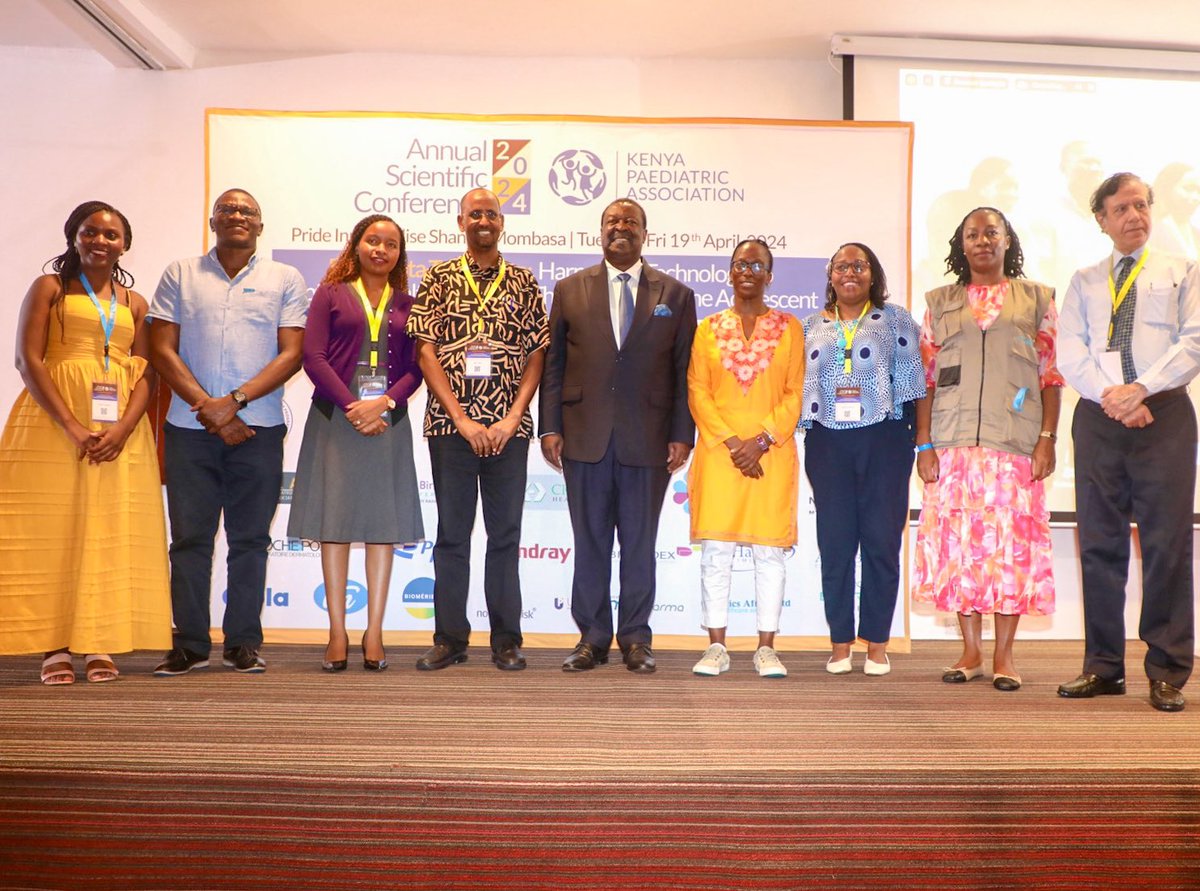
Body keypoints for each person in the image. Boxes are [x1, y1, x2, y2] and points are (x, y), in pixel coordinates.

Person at [0, 201, 172, 684]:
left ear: (126, 245)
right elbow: (26, 360)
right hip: (52, 425)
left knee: (106, 529)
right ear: (73, 236)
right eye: (90, 232)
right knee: (52, 531)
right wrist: (74, 427)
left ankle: (99, 641)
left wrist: (121, 430)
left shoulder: (135, 305)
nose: (101, 241)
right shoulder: (49, 289)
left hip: (120, 431)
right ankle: (53, 646)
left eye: (111, 235)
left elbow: (147, 376)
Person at [149, 188, 309, 676]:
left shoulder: (286, 278)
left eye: (248, 211)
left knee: (249, 540)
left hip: (257, 430)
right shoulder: (180, 273)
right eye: (228, 209)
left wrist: (233, 404)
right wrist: (209, 409)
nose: (237, 215)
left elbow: (292, 354)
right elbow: (162, 348)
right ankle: (191, 644)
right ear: (213, 221)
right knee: (190, 540)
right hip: (188, 429)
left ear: (260, 226)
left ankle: (242, 642)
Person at [1056, 172, 1200, 713]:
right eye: (1121, 208)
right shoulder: (1085, 279)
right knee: (1099, 542)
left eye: (1141, 205)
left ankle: (1166, 670)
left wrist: (1141, 389)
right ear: (1101, 219)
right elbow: (1071, 351)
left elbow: (1195, 340)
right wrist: (1113, 397)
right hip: (1099, 416)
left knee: (1167, 543)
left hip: (1163, 413)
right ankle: (1102, 667)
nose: (1134, 215)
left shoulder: (1183, 269)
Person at [540, 198, 697, 674]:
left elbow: (682, 371)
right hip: (583, 435)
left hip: (647, 440)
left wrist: (681, 434)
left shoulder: (675, 294)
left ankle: (634, 638)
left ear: (645, 233)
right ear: (600, 231)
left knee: (639, 541)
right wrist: (550, 425)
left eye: (631, 222)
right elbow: (554, 366)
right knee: (589, 542)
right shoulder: (569, 289)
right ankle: (591, 637)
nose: (621, 228)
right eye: (612, 221)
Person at [912, 208, 1062, 691]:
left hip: (1014, 446)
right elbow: (926, 380)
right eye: (972, 234)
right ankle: (971, 651)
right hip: (953, 446)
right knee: (959, 547)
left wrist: (1047, 438)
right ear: (961, 245)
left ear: (1006, 241)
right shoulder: (940, 303)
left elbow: (1051, 376)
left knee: (1011, 550)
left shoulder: (1036, 299)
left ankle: (1004, 656)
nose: (981, 241)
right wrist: (924, 443)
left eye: (990, 233)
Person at [406, 188, 547, 672]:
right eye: (475, 214)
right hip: (451, 427)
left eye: (491, 214)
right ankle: (449, 639)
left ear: (501, 223)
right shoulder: (440, 277)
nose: (483, 221)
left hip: (511, 430)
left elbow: (537, 355)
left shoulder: (524, 281)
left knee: (505, 536)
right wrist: (464, 420)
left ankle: (506, 640)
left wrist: (510, 418)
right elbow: (425, 352)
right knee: (452, 536)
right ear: (460, 221)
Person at [287, 214, 424, 672]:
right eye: (372, 240)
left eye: (390, 244)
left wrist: (382, 403)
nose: (380, 250)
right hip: (336, 420)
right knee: (335, 523)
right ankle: (338, 632)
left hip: (387, 422)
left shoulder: (408, 302)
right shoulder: (329, 293)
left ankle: (375, 633)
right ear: (356, 245)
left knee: (383, 527)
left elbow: (417, 367)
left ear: (398, 254)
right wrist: (354, 407)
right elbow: (313, 357)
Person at [802, 243, 926, 677]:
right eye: (841, 266)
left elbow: (916, 387)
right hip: (826, 443)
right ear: (831, 275)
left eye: (859, 265)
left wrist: (922, 443)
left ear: (873, 275)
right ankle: (840, 643)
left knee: (881, 542)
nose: (850, 272)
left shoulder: (896, 320)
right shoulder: (810, 326)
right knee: (835, 545)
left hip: (886, 440)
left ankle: (876, 643)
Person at [685, 240, 804, 678]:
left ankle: (766, 647)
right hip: (720, 455)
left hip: (770, 454)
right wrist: (735, 443)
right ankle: (716, 646)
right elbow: (697, 389)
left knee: (768, 553)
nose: (748, 270)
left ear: (770, 276)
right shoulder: (707, 328)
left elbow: (795, 391)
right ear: (730, 274)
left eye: (757, 264)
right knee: (716, 550)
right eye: (740, 263)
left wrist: (762, 440)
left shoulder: (790, 327)